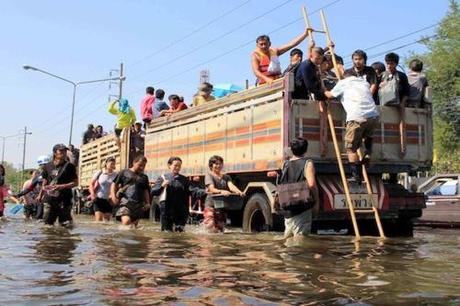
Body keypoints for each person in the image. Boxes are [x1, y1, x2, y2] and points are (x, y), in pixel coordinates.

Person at [324, 70, 380, 183]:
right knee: (367, 135)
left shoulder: (344, 82)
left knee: (350, 148)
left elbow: (330, 95)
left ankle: (356, 176)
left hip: (356, 117)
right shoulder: (364, 82)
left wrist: (323, 89)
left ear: (345, 76)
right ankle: (368, 153)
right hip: (373, 115)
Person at [277, 138, 317, 238]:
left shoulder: (285, 164)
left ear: (292, 150)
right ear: (306, 149)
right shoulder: (307, 163)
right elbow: (311, 184)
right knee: (300, 240)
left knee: (288, 238)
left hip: (288, 206)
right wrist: (316, 201)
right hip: (302, 206)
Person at [151, 157, 204, 232]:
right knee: (166, 232)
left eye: (179, 166)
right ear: (169, 165)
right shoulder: (163, 178)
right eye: (175, 165)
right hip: (167, 210)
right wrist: (162, 186)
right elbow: (153, 192)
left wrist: (204, 191)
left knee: (180, 231)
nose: (177, 168)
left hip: (181, 210)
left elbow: (192, 191)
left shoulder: (184, 179)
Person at [39, 144, 78, 226]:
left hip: (65, 199)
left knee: (65, 225)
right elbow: (45, 181)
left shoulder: (70, 166)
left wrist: (62, 186)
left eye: (65, 151)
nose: (64, 153)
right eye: (61, 151)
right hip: (49, 199)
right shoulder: (47, 166)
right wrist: (40, 195)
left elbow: (76, 183)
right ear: (54, 153)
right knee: (47, 225)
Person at [203, 155, 244, 233]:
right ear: (211, 165)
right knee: (210, 224)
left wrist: (239, 192)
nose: (218, 166)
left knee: (220, 227)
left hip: (222, 205)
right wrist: (221, 191)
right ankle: (208, 243)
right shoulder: (209, 175)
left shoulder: (226, 177)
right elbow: (211, 189)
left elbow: (231, 186)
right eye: (216, 164)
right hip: (210, 204)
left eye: (220, 164)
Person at [381, 52, 410, 155]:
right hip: (383, 106)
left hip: (399, 105)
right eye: (387, 63)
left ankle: (403, 149)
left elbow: (407, 92)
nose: (389, 65)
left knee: (402, 125)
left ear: (396, 64)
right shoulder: (382, 75)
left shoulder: (402, 76)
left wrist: (402, 103)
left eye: (391, 63)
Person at [110, 155, 150, 227]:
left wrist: (148, 202)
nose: (141, 167)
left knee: (134, 226)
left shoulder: (144, 177)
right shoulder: (124, 172)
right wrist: (113, 197)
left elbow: (145, 190)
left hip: (138, 204)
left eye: (143, 166)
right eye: (139, 165)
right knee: (126, 222)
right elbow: (114, 184)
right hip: (125, 203)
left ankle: (124, 237)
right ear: (134, 163)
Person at [15, 155, 50, 220]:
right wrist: (19, 195)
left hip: (51, 199)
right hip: (40, 201)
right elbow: (29, 189)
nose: (43, 166)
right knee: (38, 218)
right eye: (42, 165)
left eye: (46, 164)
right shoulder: (38, 177)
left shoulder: (55, 174)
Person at [89, 157, 117, 222]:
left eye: (113, 164)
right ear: (106, 164)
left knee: (106, 221)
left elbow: (117, 186)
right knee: (99, 220)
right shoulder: (100, 172)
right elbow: (91, 184)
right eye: (111, 163)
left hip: (109, 200)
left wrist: (114, 196)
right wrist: (92, 194)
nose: (112, 165)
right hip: (98, 199)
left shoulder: (115, 175)